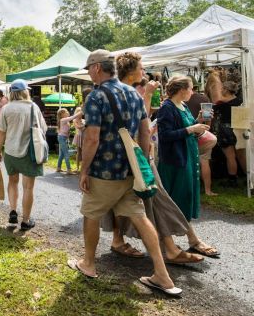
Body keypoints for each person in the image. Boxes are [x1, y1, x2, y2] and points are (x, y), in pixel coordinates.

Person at [69, 50, 180, 296]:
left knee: (91, 214)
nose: (88, 73)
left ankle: (88, 263)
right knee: (140, 217)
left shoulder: (96, 96)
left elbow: (92, 139)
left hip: (103, 172)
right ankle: (162, 275)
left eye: (88, 69)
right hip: (130, 171)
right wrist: (143, 164)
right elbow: (145, 134)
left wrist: (84, 170)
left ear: (97, 68)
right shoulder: (135, 93)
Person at [105, 52, 215, 265]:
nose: (144, 70)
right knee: (149, 201)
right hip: (132, 156)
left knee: (150, 202)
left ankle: (171, 249)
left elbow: (141, 123)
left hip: (140, 156)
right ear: (132, 69)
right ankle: (169, 253)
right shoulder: (123, 93)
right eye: (141, 66)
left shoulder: (134, 91)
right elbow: (139, 125)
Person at [156, 76, 219, 258]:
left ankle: (187, 240)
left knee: (185, 197)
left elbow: (187, 129)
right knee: (177, 200)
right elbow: (166, 135)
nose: (193, 92)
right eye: (191, 88)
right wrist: (191, 129)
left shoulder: (182, 106)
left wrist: (197, 122)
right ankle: (190, 240)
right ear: (182, 89)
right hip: (175, 161)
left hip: (187, 157)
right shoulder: (167, 107)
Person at [0, 80, 46, 230]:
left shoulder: (6, 108)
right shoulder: (33, 107)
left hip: (10, 152)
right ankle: (26, 220)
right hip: (30, 153)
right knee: (28, 188)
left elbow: (1, 132)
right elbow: (43, 128)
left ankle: (12, 211)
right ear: (25, 91)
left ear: (11, 92)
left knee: (12, 182)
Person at [207, 73, 243, 187]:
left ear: (227, 90)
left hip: (225, 131)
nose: (221, 90)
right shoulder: (240, 101)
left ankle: (232, 180)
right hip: (238, 129)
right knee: (240, 155)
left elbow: (210, 112)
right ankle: (245, 177)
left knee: (230, 157)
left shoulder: (221, 104)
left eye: (222, 88)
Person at [186, 85, 217, 196]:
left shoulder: (180, 99)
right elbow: (208, 117)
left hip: (188, 134)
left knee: (189, 162)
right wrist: (208, 130)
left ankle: (193, 189)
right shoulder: (203, 99)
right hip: (202, 134)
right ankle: (208, 190)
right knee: (204, 161)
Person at [56, 108, 79, 174]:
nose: (67, 112)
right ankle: (69, 169)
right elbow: (72, 117)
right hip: (62, 138)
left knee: (61, 155)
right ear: (62, 114)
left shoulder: (66, 121)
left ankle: (58, 168)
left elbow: (67, 129)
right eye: (66, 112)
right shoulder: (63, 120)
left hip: (63, 138)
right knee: (66, 154)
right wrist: (79, 113)